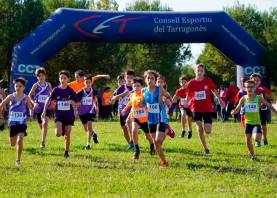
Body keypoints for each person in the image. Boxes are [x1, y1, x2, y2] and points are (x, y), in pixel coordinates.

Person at [231, 80, 277, 160]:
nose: (250, 88)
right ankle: (253, 155)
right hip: (247, 123)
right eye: (248, 87)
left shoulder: (258, 98)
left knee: (256, 138)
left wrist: (276, 112)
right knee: (248, 141)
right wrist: (234, 111)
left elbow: (269, 105)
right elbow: (237, 108)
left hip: (256, 122)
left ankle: (258, 138)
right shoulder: (243, 99)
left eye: (251, 87)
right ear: (245, 88)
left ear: (254, 88)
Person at [186, 64, 225, 154]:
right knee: (199, 128)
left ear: (204, 72)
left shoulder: (208, 81)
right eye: (198, 70)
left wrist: (220, 100)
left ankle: (205, 129)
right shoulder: (191, 83)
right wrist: (187, 103)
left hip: (207, 108)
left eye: (201, 71)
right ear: (195, 72)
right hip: (195, 108)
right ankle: (205, 148)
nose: (199, 72)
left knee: (207, 131)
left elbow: (214, 91)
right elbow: (188, 95)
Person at [42, 70, 80, 158]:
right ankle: (61, 128)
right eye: (61, 78)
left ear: (68, 79)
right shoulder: (56, 90)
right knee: (58, 134)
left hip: (69, 115)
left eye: (64, 78)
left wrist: (72, 103)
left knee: (67, 136)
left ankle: (66, 152)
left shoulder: (70, 90)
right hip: (59, 115)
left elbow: (78, 102)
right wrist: (44, 110)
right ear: (59, 79)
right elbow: (48, 99)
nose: (62, 80)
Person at [0, 77, 33, 166]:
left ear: (24, 87)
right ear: (14, 87)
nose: (18, 87)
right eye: (16, 86)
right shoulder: (11, 96)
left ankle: (18, 160)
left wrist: (31, 115)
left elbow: (30, 108)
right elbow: (1, 104)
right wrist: (1, 114)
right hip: (12, 122)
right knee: (13, 143)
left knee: (20, 139)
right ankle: (11, 139)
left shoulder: (26, 97)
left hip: (22, 122)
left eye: (20, 86)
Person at [143, 70, 171, 168]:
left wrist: (166, 100)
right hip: (150, 119)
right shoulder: (143, 91)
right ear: (145, 80)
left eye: (152, 78)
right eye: (148, 78)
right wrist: (141, 105)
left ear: (155, 80)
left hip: (161, 117)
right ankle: (164, 162)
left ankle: (166, 129)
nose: (150, 80)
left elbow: (168, 96)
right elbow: (143, 103)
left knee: (158, 141)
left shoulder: (159, 89)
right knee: (155, 143)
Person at [122, 77, 154, 160]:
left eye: (138, 86)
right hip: (135, 117)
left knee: (148, 137)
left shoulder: (144, 95)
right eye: (134, 86)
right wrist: (125, 108)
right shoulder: (132, 95)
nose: (136, 88)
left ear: (142, 87)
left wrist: (142, 104)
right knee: (133, 130)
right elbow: (131, 102)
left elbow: (147, 104)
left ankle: (152, 145)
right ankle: (137, 150)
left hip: (145, 120)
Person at [28, 68, 52, 148]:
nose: (41, 77)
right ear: (37, 77)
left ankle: (42, 142)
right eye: (39, 76)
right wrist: (34, 102)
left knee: (45, 123)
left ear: (45, 76)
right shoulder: (35, 85)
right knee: (42, 126)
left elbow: (52, 95)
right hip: (38, 108)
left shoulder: (48, 84)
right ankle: (43, 137)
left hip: (46, 107)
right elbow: (29, 96)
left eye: (42, 75)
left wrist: (52, 100)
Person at [112, 70, 134, 150]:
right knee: (125, 130)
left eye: (131, 77)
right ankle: (130, 144)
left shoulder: (136, 87)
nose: (129, 79)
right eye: (128, 77)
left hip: (132, 111)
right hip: (122, 112)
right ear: (125, 78)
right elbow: (114, 98)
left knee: (130, 126)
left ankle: (133, 142)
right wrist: (123, 94)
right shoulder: (122, 87)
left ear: (133, 78)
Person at [77, 74, 99, 150]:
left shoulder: (94, 90)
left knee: (89, 126)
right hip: (82, 112)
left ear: (91, 83)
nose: (88, 84)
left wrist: (96, 106)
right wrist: (76, 108)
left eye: (89, 82)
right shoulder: (80, 92)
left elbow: (94, 99)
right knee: (86, 129)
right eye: (86, 82)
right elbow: (76, 101)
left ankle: (88, 144)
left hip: (90, 110)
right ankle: (94, 134)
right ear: (84, 82)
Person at [250, 73, 272, 146]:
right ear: (251, 81)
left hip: (263, 109)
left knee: (263, 125)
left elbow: (270, 97)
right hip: (253, 109)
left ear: (260, 81)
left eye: (258, 80)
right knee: (255, 125)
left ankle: (264, 138)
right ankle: (257, 140)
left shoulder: (263, 88)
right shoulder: (249, 88)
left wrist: (264, 93)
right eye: (254, 80)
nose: (256, 81)